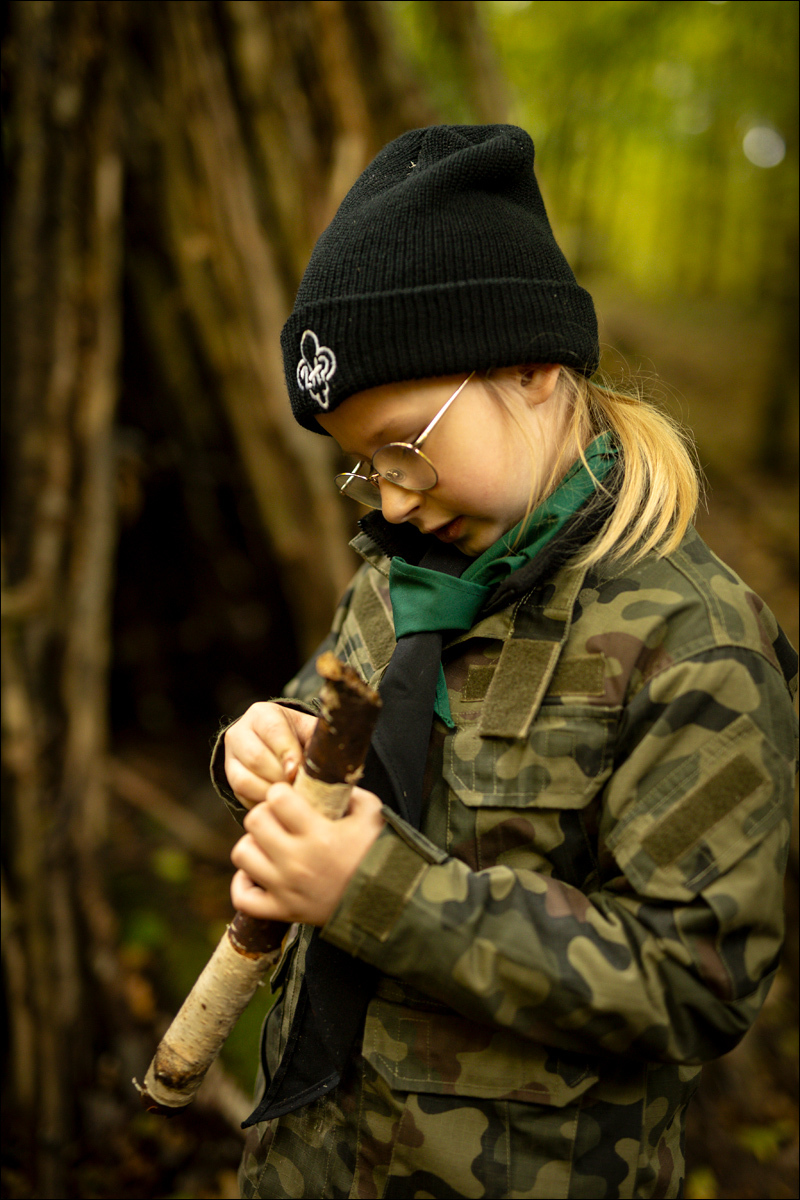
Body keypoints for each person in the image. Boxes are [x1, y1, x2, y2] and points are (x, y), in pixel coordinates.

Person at [210, 125, 798, 1200]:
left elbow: (693, 980)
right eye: (362, 467)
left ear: (529, 367)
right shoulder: (402, 579)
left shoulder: (691, 640)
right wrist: (262, 743)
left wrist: (376, 892)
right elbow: (326, 718)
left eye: (405, 447)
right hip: (309, 1161)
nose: (391, 499)